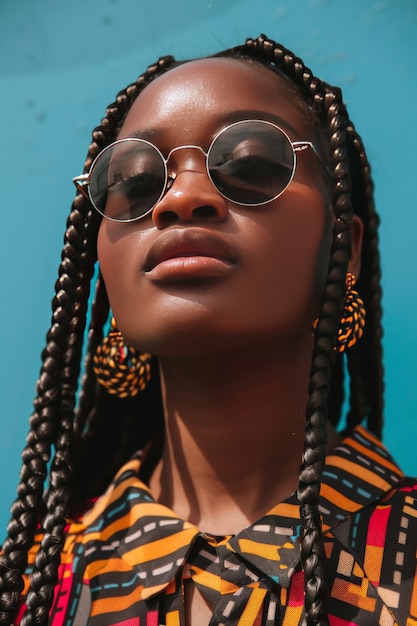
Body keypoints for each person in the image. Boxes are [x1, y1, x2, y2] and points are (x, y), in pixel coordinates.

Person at [0, 33, 416, 626]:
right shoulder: (31, 592)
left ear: (344, 249)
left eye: (249, 163)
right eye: (135, 181)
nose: (182, 198)